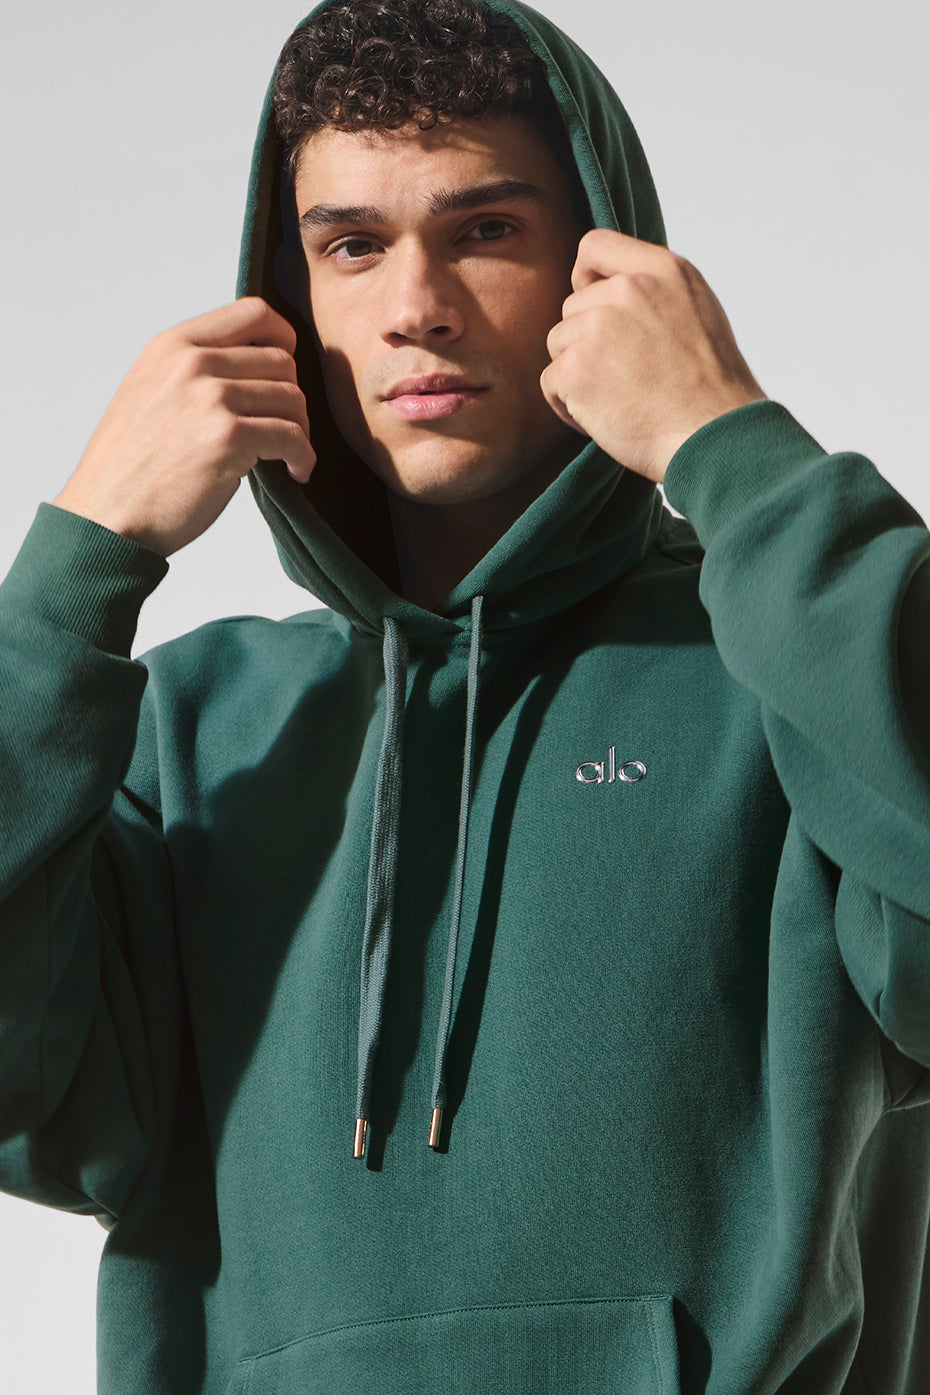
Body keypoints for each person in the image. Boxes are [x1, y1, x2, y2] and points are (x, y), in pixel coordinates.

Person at [0, 0, 928, 1389]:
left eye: (484, 229)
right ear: (289, 302)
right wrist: (78, 565)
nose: (415, 306)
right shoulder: (188, 735)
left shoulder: (789, 677)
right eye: (352, 247)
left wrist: (727, 446)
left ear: (601, 267)